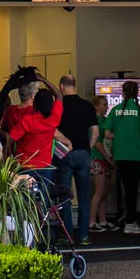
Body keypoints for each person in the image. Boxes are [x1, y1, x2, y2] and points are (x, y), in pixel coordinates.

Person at [53, 74, 98, 241]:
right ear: (74, 85)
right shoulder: (87, 106)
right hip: (83, 153)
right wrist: (87, 147)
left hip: (64, 154)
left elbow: (53, 130)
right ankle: (84, 234)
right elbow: (95, 132)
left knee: (65, 194)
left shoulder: (59, 105)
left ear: (61, 86)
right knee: (84, 194)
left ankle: (67, 233)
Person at [102, 79, 140, 236]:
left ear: (123, 93)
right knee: (133, 189)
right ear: (136, 93)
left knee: (125, 187)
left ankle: (127, 218)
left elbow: (107, 134)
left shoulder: (115, 110)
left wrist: (120, 135)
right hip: (136, 154)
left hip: (120, 154)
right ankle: (131, 222)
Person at [6, 86, 65, 212]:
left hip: (25, 165)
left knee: (24, 203)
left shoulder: (28, 120)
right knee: (42, 202)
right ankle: (41, 228)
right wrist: (44, 80)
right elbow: (59, 96)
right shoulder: (53, 120)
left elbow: (10, 139)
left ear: (35, 103)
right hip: (45, 166)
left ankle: (26, 229)